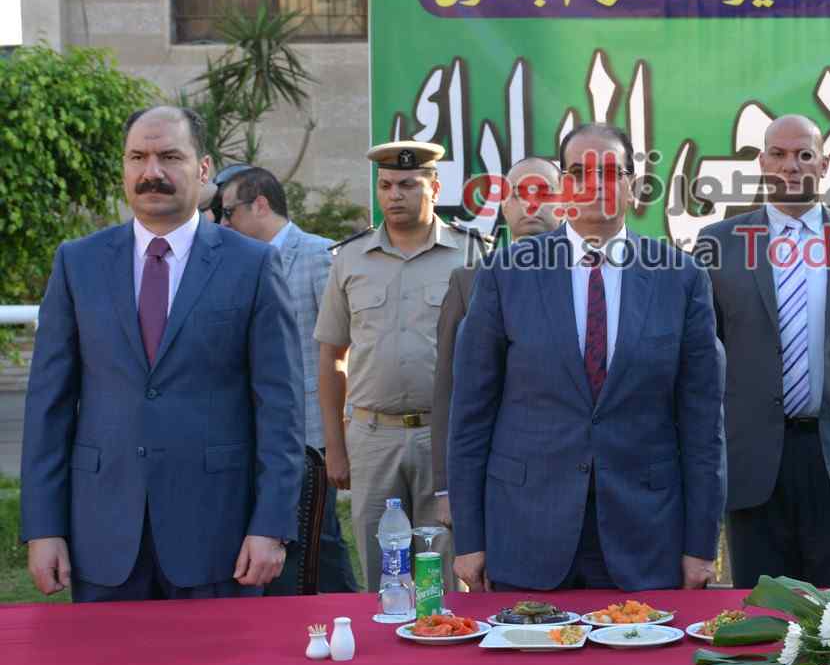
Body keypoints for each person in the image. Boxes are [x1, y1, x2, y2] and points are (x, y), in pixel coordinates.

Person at [21, 106, 303, 601]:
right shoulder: (77, 263)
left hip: (218, 533)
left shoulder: (253, 265)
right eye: (138, 157)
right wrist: (44, 527)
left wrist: (271, 526)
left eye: (170, 156)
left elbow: (280, 408)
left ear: (203, 168)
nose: (151, 172)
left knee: (219, 655)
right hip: (102, 533)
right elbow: (49, 406)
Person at [449, 124, 725, 592]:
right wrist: (470, 540)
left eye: (611, 172)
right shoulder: (506, 273)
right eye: (580, 172)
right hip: (525, 528)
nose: (596, 184)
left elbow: (703, 426)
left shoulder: (680, 278)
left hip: (645, 536)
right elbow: (470, 415)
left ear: (634, 186)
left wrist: (700, 546)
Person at [696, 115, 830, 588]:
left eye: (804, 154)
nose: (791, 165)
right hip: (754, 464)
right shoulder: (718, 243)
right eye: (779, 155)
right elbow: (702, 359)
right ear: (762, 163)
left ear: (824, 165)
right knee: (759, 614)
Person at [314, 140, 484, 592]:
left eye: (407, 184)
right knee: (380, 570)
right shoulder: (351, 259)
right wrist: (335, 446)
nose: (394, 195)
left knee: (445, 570)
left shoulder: (470, 254)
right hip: (373, 436)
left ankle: (446, 638)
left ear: (434, 188)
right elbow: (331, 356)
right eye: (386, 185)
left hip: (441, 438)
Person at [219, 166, 359, 594]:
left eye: (229, 211)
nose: (223, 223)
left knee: (322, 537)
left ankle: (342, 610)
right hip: (259, 428)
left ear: (260, 205)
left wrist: (339, 434)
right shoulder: (237, 262)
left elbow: (342, 347)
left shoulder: (317, 255)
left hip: (314, 432)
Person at [431, 157, 560, 529]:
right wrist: (446, 486)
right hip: (497, 473)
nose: (530, 204)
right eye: (518, 194)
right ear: (503, 205)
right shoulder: (468, 282)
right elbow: (448, 389)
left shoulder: (594, 281)